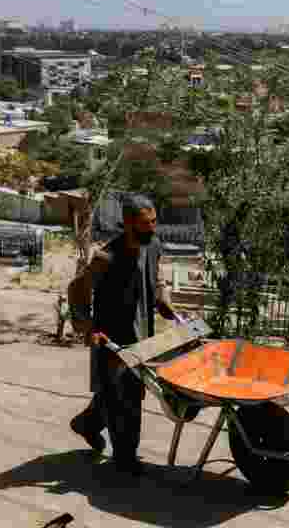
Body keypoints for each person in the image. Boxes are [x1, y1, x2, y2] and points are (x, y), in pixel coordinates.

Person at [67, 193, 176, 476]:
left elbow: (158, 275)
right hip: (111, 339)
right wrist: (87, 327)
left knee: (123, 393)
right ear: (128, 223)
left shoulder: (153, 245)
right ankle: (125, 458)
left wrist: (163, 297)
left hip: (142, 335)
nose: (152, 228)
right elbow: (77, 290)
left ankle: (88, 423)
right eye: (145, 224)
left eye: (153, 221)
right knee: (123, 400)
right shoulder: (107, 257)